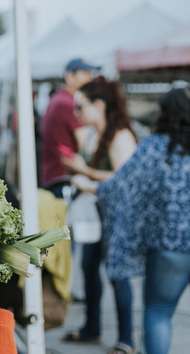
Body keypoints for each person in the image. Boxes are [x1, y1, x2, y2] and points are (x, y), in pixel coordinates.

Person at [97, 86, 190, 354]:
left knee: (158, 312)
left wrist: (92, 186)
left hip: (169, 248)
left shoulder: (154, 148)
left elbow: (121, 185)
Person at [60, 77, 138, 354]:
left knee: (117, 275)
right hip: (95, 214)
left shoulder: (121, 136)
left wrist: (86, 174)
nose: (76, 113)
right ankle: (92, 327)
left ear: (100, 104)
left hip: (117, 216)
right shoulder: (94, 134)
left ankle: (126, 340)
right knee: (89, 269)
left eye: (80, 106)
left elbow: (125, 179)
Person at [39, 58, 99, 195]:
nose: (90, 78)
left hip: (54, 176)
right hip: (63, 180)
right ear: (70, 77)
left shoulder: (58, 99)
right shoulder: (68, 103)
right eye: (85, 74)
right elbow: (85, 144)